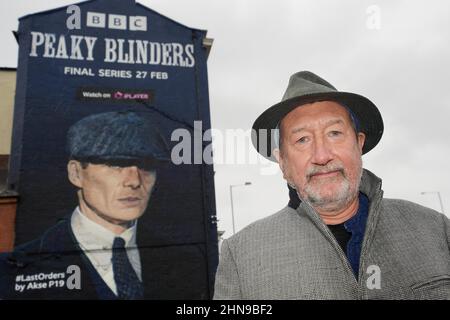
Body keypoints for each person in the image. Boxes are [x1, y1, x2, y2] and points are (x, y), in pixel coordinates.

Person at [214, 71, 450, 299]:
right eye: (302, 139)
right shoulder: (241, 255)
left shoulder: (436, 229)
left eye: (335, 133)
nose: (322, 155)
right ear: (283, 164)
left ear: (359, 145)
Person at [0, 111, 171, 299]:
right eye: (116, 164)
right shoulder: (16, 267)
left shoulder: (183, 258)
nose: (134, 181)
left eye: (146, 166)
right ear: (76, 173)